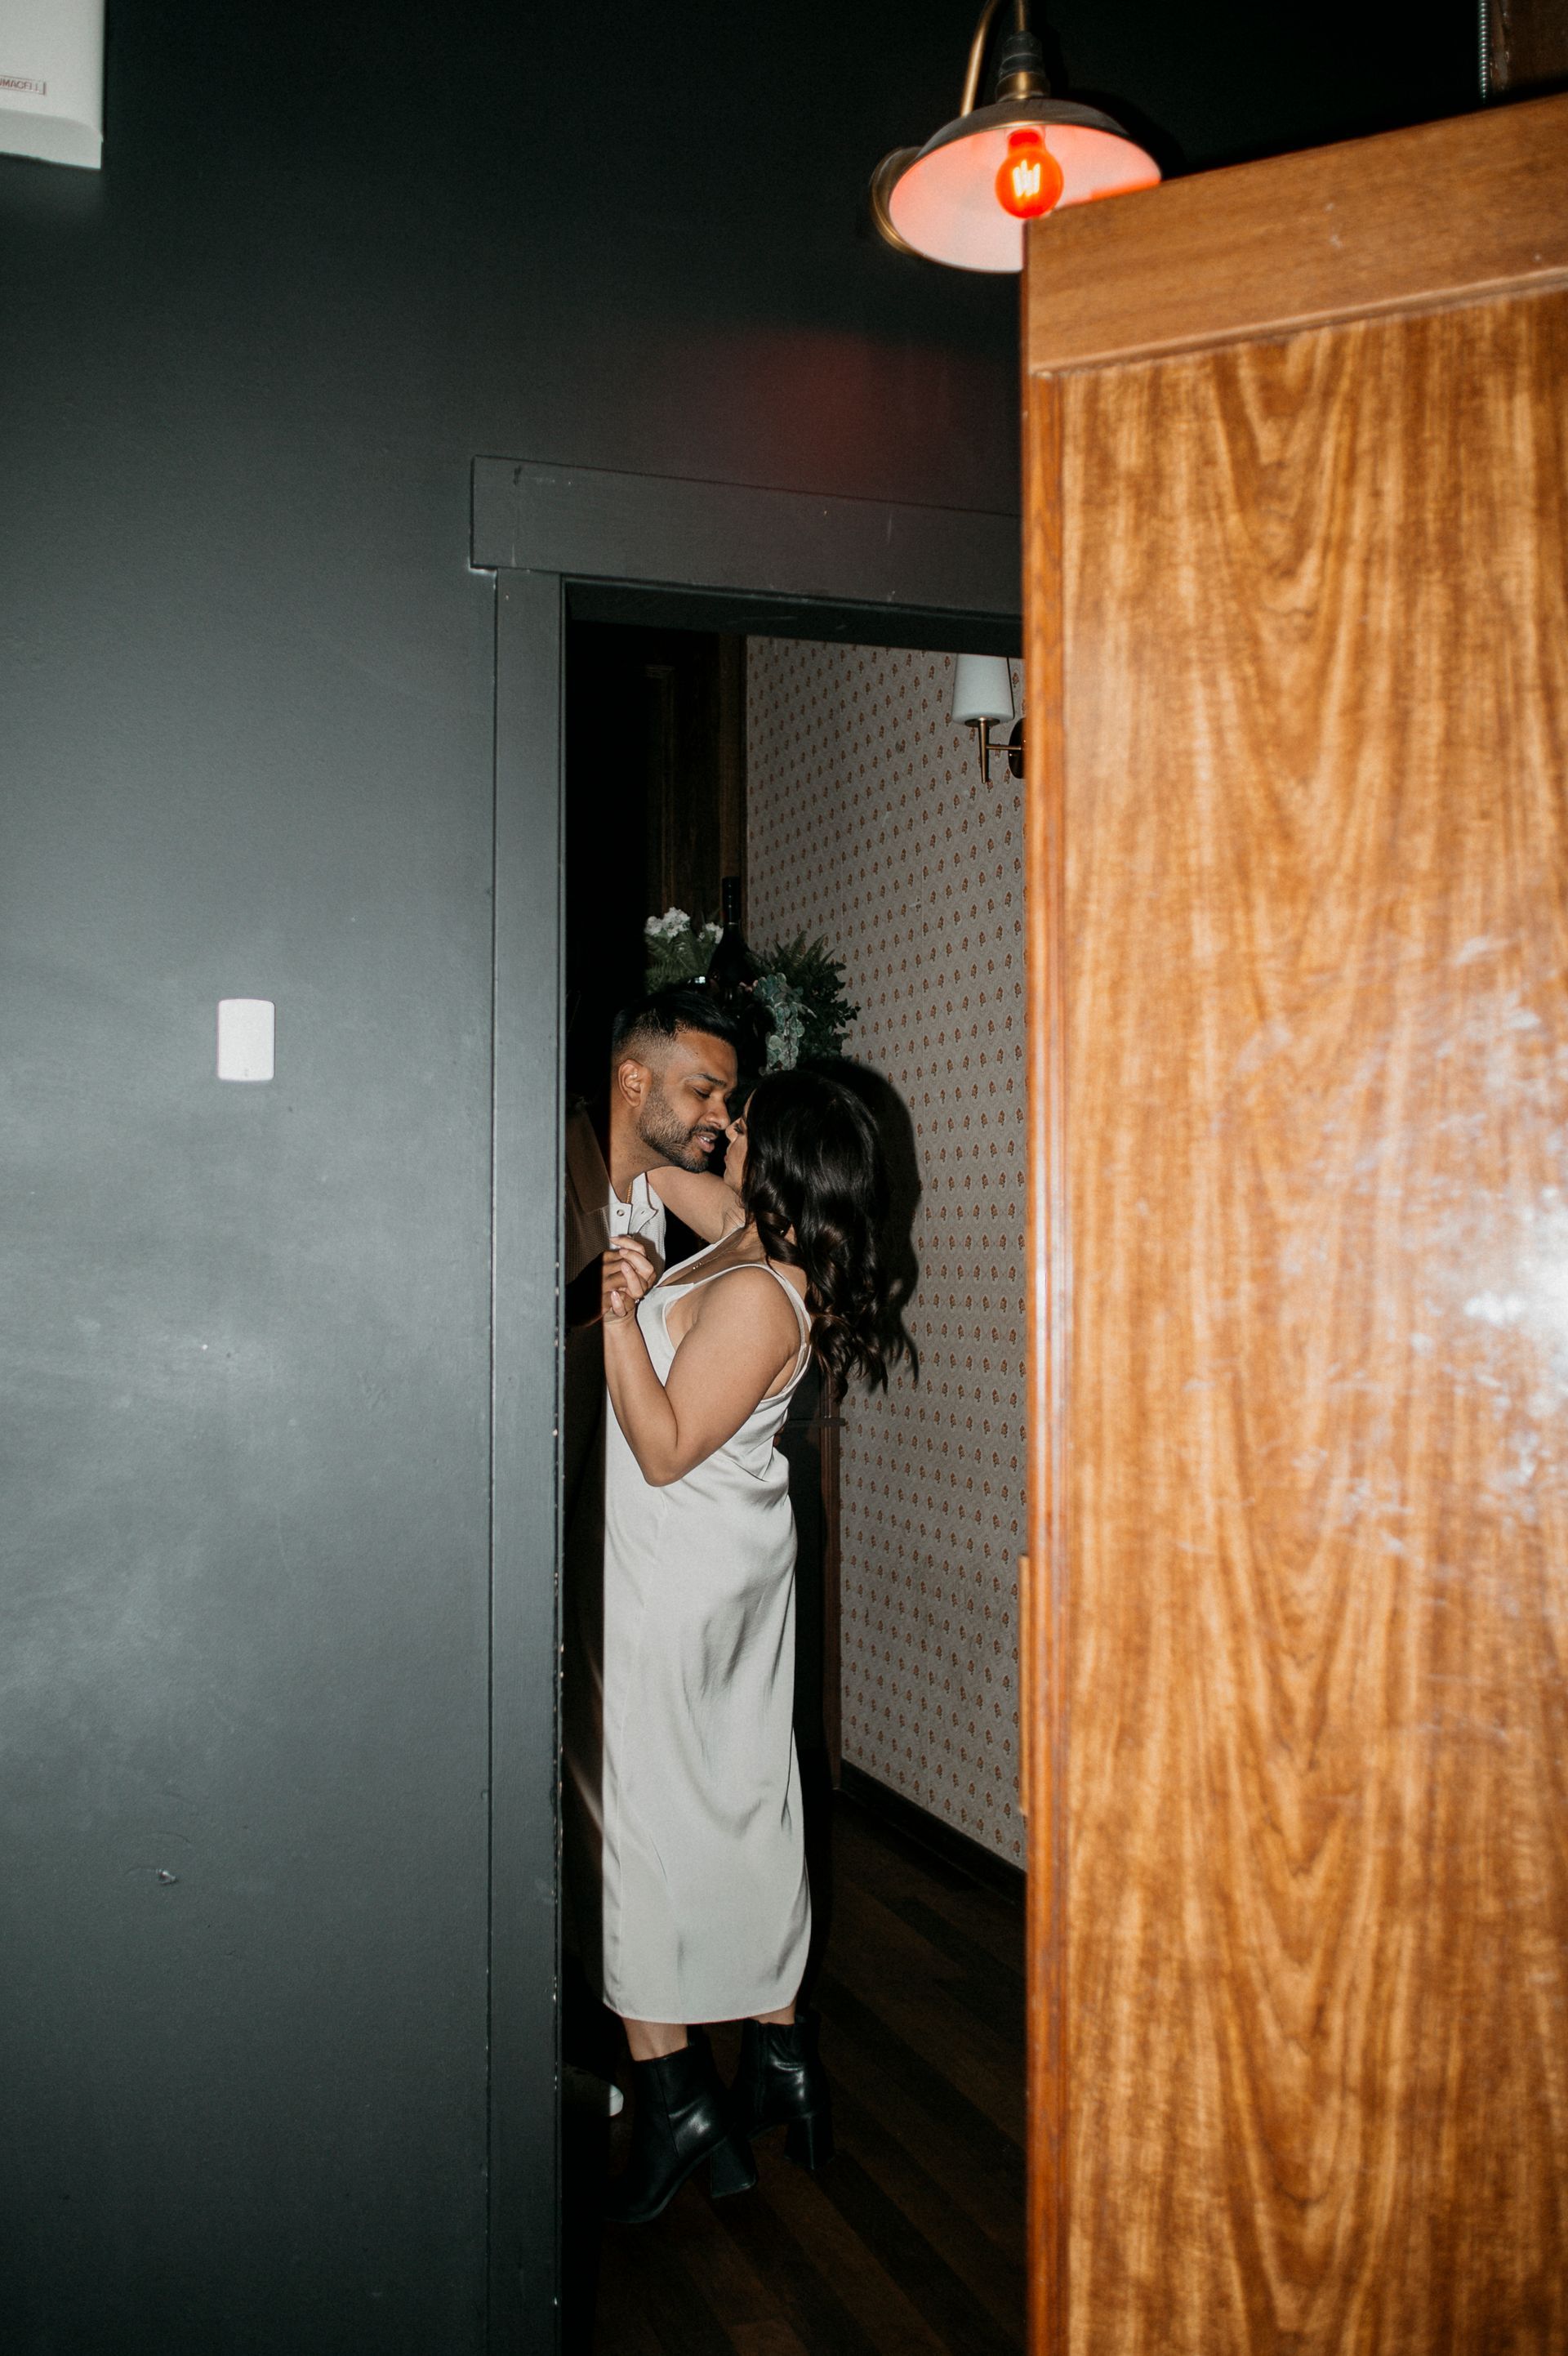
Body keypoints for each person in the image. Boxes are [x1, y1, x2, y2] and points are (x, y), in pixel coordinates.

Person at [578, 1066, 892, 2225]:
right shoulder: (748, 1235)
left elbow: (660, 1446)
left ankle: (676, 2099)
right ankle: (780, 2062)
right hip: (723, 1562)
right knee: (739, 1799)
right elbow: (652, 1164)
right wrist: (637, 1102)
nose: (727, 1133)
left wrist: (620, 1314)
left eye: (744, 1125)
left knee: (637, 1817)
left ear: (784, 1158)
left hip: (680, 1573)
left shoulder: (760, 1292)